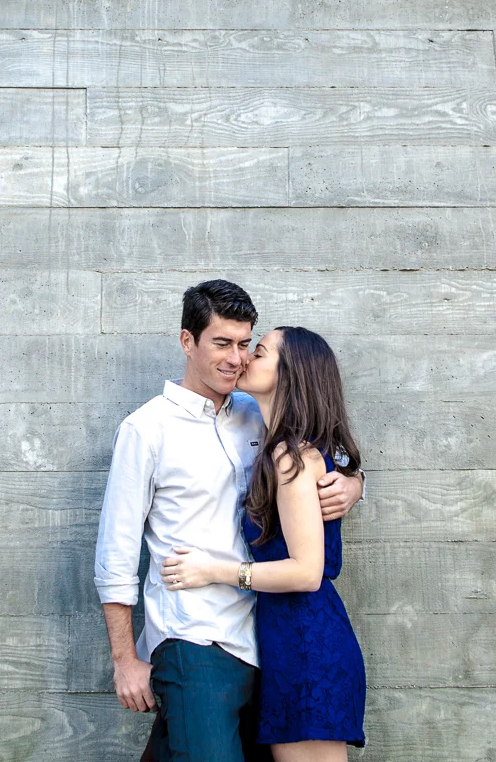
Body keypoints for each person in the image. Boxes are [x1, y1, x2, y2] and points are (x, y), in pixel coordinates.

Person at [94, 280, 363, 762]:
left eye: (245, 345)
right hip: (194, 637)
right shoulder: (146, 429)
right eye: (222, 343)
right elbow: (115, 555)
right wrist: (124, 661)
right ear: (187, 341)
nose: (236, 358)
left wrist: (354, 482)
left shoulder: (255, 412)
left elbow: (322, 443)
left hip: (266, 638)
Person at [161, 326, 367, 760]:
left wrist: (215, 571)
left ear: (290, 373)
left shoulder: (290, 454)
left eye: (259, 352)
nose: (243, 359)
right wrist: (356, 482)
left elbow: (306, 572)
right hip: (286, 637)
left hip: (306, 639)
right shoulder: (275, 442)